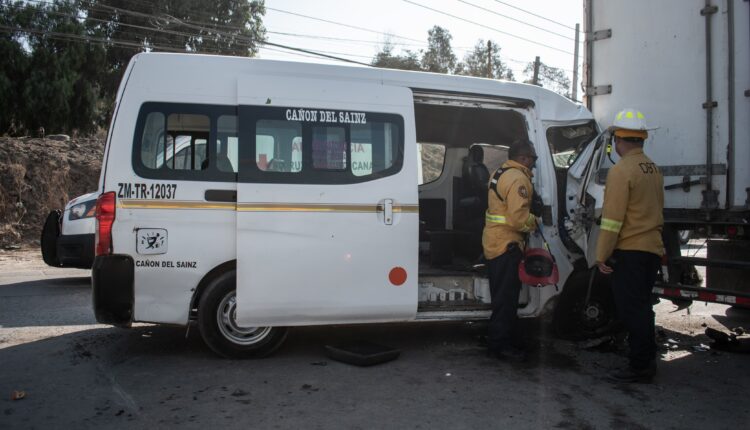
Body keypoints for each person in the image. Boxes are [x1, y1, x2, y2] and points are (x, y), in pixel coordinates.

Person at [595, 108, 664, 383]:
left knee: (631, 309)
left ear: (619, 141)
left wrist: (602, 255)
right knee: (643, 307)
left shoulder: (621, 171)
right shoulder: (653, 169)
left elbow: (612, 220)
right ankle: (646, 358)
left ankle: (639, 366)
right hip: (651, 249)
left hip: (631, 252)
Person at [482, 139, 538, 361]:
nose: (533, 163)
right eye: (532, 158)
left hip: (495, 241)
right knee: (506, 300)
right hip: (507, 245)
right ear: (523, 158)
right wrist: (537, 220)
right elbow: (518, 219)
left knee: (502, 297)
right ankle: (500, 346)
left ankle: (503, 338)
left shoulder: (500, 172)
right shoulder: (518, 179)